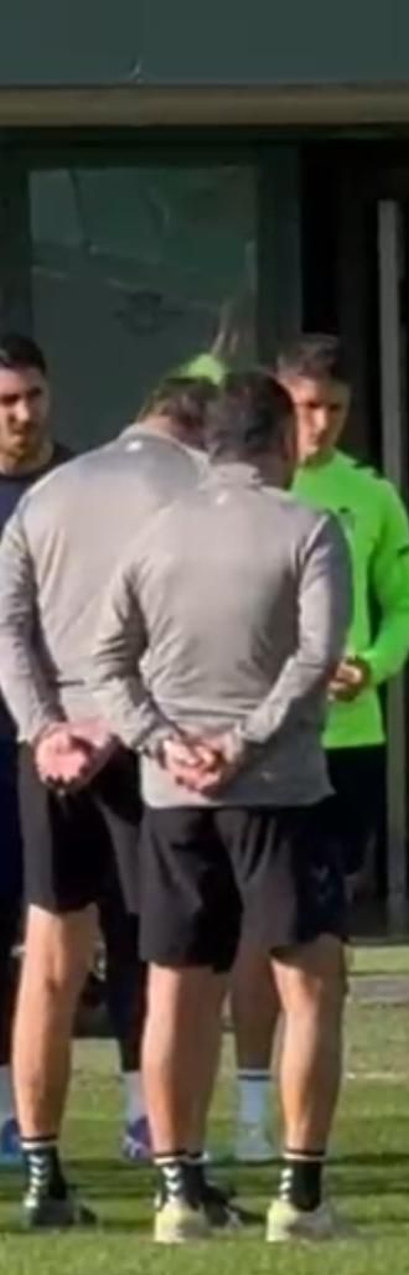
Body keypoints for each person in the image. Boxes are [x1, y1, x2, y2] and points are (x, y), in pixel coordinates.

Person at [90, 371, 353, 1245]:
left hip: (173, 795)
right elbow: (317, 655)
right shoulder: (311, 527)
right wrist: (243, 741)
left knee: (177, 984)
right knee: (309, 981)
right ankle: (302, 1195)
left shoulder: (155, 534)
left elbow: (108, 662)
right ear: (280, 441)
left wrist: (161, 740)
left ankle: (177, 1192)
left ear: (209, 444)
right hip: (277, 790)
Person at [0, 376, 216, 1227]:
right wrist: (111, 730)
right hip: (139, 748)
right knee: (169, 961)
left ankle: (43, 1174)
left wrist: (47, 728)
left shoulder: (50, 491)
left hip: (47, 752)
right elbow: (176, 635)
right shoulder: (192, 493)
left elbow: (9, 627)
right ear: (193, 431)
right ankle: (175, 1175)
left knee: (49, 959)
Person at [227, 336, 409, 1165]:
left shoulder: (369, 497)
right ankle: (246, 1113)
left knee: (324, 939)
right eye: (308, 409)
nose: (321, 426)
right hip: (261, 750)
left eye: (335, 410)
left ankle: (310, 1117)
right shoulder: (246, 496)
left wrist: (373, 666)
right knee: (253, 935)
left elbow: (407, 603)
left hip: (348, 742)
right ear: (280, 404)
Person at [0, 333, 74, 1166]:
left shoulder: (75, 488)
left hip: (62, 739)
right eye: (7, 400)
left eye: (33, 395)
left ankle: (138, 1111)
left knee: (68, 929)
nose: (23, 414)